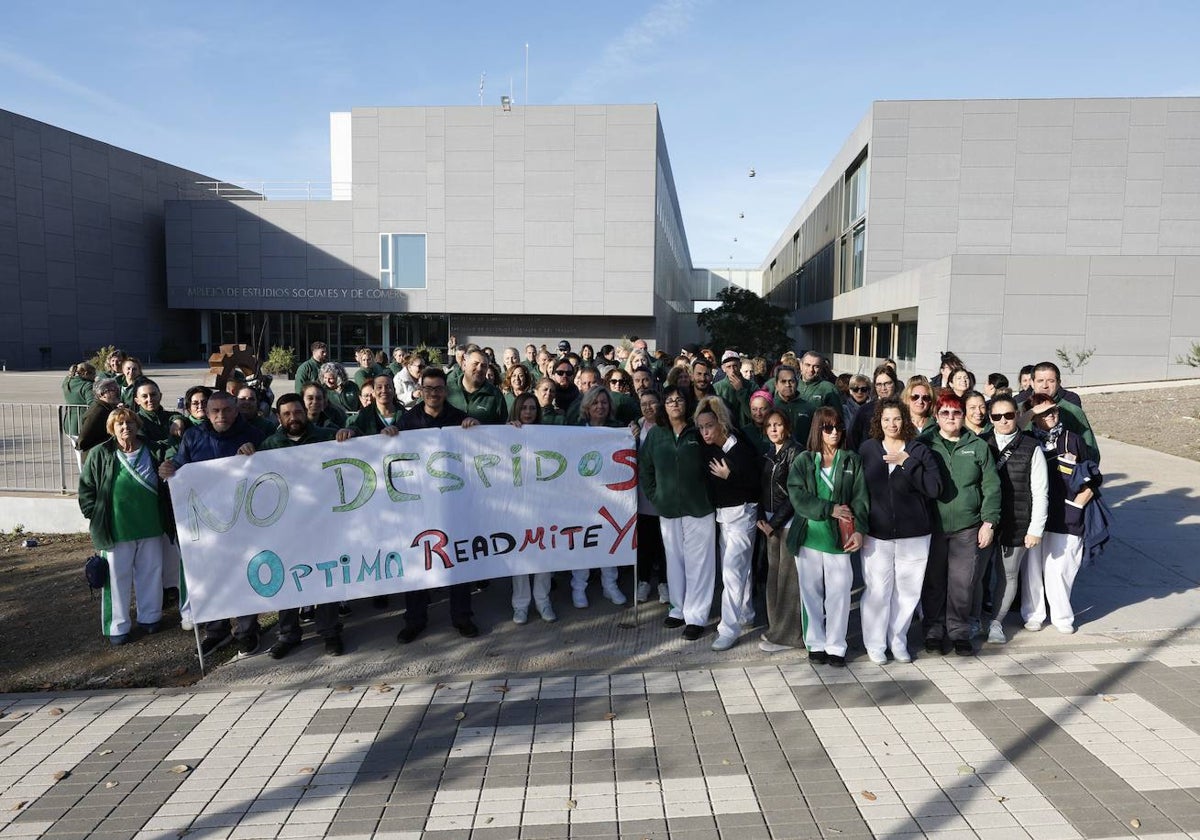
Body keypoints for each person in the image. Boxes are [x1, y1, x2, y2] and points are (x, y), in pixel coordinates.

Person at [158, 391, 265, 657]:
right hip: (206, 522)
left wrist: (256, 455)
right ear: (206, 412)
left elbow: (270, 468)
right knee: (212, 576)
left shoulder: (252, 434)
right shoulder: (193, 437)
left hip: (244, 520)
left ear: (235, 411)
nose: (221, 416)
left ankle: (246, 631)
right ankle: (216, 631)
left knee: (243, 574)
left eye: (226, 410)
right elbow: (181, 467)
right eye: (215, 411)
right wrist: (168, 470)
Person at [395, 367, 481, 643]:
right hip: (419, 504)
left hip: (453, 503)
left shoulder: (459, 419)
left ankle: (462, 616)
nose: (434, 393)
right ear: (420, 390)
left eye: (439, 388)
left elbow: (476, 451)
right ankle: (415, 620)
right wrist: (388, 435)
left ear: (446, 390)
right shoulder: (407, 421)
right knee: (419, 559)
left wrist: (475, 430)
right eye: (428, 388)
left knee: (457, 558)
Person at [258, 394, 344, 658]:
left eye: (297, 412)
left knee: (326, 578)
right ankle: (288, 634)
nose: (293, 418)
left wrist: (348, 433)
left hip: (322, 522)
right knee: (288, 577)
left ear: (305, 412)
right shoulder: (270, 445)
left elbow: (359, 445)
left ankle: (330, 633)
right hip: (286, 526)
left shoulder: (326, 437)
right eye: (287, 414)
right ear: (278, 416)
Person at [858, 398, 942, 664]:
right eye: (886, 419)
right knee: (877, 591)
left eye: (896, 419)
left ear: (904, 420)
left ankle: (898, 640)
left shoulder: (919, 450)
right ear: (878, 422)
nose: (891, 424)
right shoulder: (868, 449)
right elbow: (858, 491)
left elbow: (934, 488)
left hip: (914, 534)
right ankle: (875, 643)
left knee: (908, 592)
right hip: (877, 534)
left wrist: (907, 462)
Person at [78, 407, 168, 646]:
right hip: (116, 528)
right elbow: (86, 488)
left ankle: (150, 616)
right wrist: (94, 514)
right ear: (112, 429)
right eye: (120, 424)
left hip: (151, 524)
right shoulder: (101, 453)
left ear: (137, 425)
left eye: (129, 423)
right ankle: (117, 625)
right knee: (116, 579)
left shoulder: (154, 449)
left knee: (151, 573)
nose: (125, 428)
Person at [920, 392, 1001, 656]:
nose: (951, 418)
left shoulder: (977, 446)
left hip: (968, 527)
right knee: (934, 581)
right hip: (932, 527)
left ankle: (958, 631)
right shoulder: (924, 444)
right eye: (945, 413)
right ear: (936, 416)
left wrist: (989, 522)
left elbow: (991, 486)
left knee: (963, 582)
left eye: (956, 413)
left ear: (963, 416)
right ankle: (933, 629)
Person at [786, 406, 868, 667]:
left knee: (840, 593)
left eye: (838, 427)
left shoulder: (851, 460)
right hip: (809, 537)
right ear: (818, 429)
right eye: (828, 428)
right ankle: (816, 642)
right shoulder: (804, 460)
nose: (834, 432)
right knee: (811, 593)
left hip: (839, 540)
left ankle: (836, 645)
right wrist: (829, 509)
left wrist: (859, 529)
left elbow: (861, 498)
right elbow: (797, 496)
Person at [639, 385, 715, 641]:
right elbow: (645, 469)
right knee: (674, 560)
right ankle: (678, 608)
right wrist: (655, 497)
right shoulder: (656, 434)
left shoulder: (698, 430)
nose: (674, 404)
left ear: (687, 403)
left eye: (679, 399)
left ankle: (696, 617)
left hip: (699, 507)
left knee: (699, 563)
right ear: (663, 405)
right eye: (669, 400)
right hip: (669, 508)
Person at [1022, 393, 1101, 635]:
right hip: (1034, 514)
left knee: (1062, 567)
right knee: (1032, 568)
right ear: (1033, 417)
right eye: (1043, 413)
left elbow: (1092, 476)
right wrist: (1030, 413)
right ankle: (1033, 613)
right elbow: (1012, 426)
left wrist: (1078, 504)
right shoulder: (1025, 440)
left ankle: (1062, 615)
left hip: (1066, 513)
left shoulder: (1073, 440)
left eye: (1053, 410)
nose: (1051, 415)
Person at [980, 394, 1047, 645]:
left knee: (1007, 575)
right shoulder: (980, 443)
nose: (1004, 420)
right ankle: (975, 618)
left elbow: (1041, 492)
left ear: (1017, 415)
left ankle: (996, 622)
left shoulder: (1031, 447)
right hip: (985, 521)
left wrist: (1035, 529)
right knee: (977, 574)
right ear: (990, 418)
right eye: (997, 416)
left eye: (1008, 415)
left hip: (1017, 520)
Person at [695, 396, 760, 652]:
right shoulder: (709, 447)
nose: (705, 432)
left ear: (721, 423)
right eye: (701, 427)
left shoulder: (739, 444)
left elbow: (755, 483)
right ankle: (746, 613)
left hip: (744, 513)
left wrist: (730, 475)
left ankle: (728, 629)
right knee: (736, 568)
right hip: (724, 516)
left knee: (733, 570)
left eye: (709, 425)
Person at [570, 386, 628, 608]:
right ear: (587, 406)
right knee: (584, 541)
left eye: (604, 402)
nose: (600, 406)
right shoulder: (576, 430)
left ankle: (609, 585)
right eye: (595, 403)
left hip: (610, 496)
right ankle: (578, 587)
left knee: (608, 540)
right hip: (582, 496)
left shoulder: (617, 430)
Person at [756, 409, 804, 654]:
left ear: (787, 427)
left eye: (778, 425)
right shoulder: (767, 452)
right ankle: (777, 629)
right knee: (774, 579)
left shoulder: (796, 452)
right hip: (769, 523)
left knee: (789, 581)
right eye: (770, 425)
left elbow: (795, 493)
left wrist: (774, 522)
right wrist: (762, 519)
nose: (774, 429)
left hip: (785, 523)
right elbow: (761, 488)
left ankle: (790, 635)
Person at [507, 392, 557, 624]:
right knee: (520, 554)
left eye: (532, 408)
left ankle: (543, 600)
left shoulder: (546, 436)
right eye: (524, 408)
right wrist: (506, 433)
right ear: (517, 410)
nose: (528, 412)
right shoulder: (506, 432)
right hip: (516, 504)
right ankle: (520, 604)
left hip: (542, 502)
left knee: (544, 552)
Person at [634, 390, 670, 605]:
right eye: (643, 404)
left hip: (663, 494)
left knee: (664, 542)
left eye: (652, 403)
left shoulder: (665, 427)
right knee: (645, 542)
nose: (648, 407)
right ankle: (644, 581)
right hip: (642, 496)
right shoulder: (635, 427)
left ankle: (664, 583)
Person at [1024, 361, 1098, 462]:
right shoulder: (1020, 409)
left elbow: (1091, 451)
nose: (1045, 385)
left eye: (1051, 381)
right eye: (1040, 381)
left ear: (1059, 383)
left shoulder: (1073, 411)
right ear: (1032, 383)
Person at [448, 348, 507, 424]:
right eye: (475, 364)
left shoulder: (495, 395)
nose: (479, 369)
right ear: (464, 365)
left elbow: (502, 429)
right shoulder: (447, 389)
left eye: (484, 366)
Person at [848, 365, 900, 450]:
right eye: (879, 384)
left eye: (887, 383)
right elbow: (852, 439)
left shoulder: (904, 409)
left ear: (895, 383)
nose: (883, 388)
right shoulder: (864, 411)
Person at [77, 377, 123, 459]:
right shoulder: (98, 411)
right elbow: (82, 441)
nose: (117, 392)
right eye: (113, 390)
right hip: (96, 457)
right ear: (101, 394)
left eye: (117, 388)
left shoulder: (108, 408)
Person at [771, 365, 814, 445]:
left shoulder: (808, 408)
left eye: (791, 381)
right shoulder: (770, 407)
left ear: (797, 383)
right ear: (776, 384)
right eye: (783, 381)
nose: (788, 385)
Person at [713, 350, 752, 427]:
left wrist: (741, 390)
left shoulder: (751, 385)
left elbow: (753, 414)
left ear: (740, 365)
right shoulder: (717, 388)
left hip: (747, 431)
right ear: (723, 368)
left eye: (735, 366)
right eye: (728, 367)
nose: (732, 370)